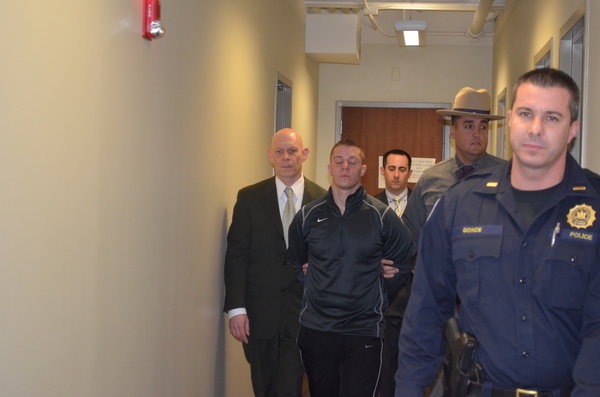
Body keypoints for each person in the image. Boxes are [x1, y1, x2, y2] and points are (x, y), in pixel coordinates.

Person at [395, 68, 600, 396]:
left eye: (551, 117)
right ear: (510, 121)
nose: (535, 129)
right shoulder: (460, 204)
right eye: (525, 114)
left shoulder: (594, 208)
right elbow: (426, 313)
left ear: (572, 129)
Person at [288, 139, 413, 397]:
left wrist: (377, 288)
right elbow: (297, 262)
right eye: (339, 161)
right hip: (317, 329)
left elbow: (402, 259)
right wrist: (319, 282)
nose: (345, 167)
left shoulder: (381, 216)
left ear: (363, 169)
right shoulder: (307, 216)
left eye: (352, 162)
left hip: (364, 329)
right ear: (329, 168)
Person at [223, 128, 327, 397]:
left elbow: (330, 255)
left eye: (292, 151)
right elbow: (236, 255)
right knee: (264, 385)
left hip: (304, 312)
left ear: (303, 154)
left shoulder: (322, 200)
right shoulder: (249, 198)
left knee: (290, 385)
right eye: (279, 151)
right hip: (260, 313)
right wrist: (236, 308)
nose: (286, 157)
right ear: (270, 156)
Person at [402, 87, 506, 250]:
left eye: (483, 127)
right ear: (453, 131)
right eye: (469, 126)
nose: (477, 133)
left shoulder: (508, 176)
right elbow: (411, 237)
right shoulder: (430, 179)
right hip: (441, 272)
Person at [373, 149, 413, 397]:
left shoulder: (423, 204)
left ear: (409, 172)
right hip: (382, 296)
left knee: (412, 359)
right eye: (391, 168)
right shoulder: (368, 205)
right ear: (382, 171)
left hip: (416, 294)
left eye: (402, 169)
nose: (396, 175)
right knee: (385, 361)